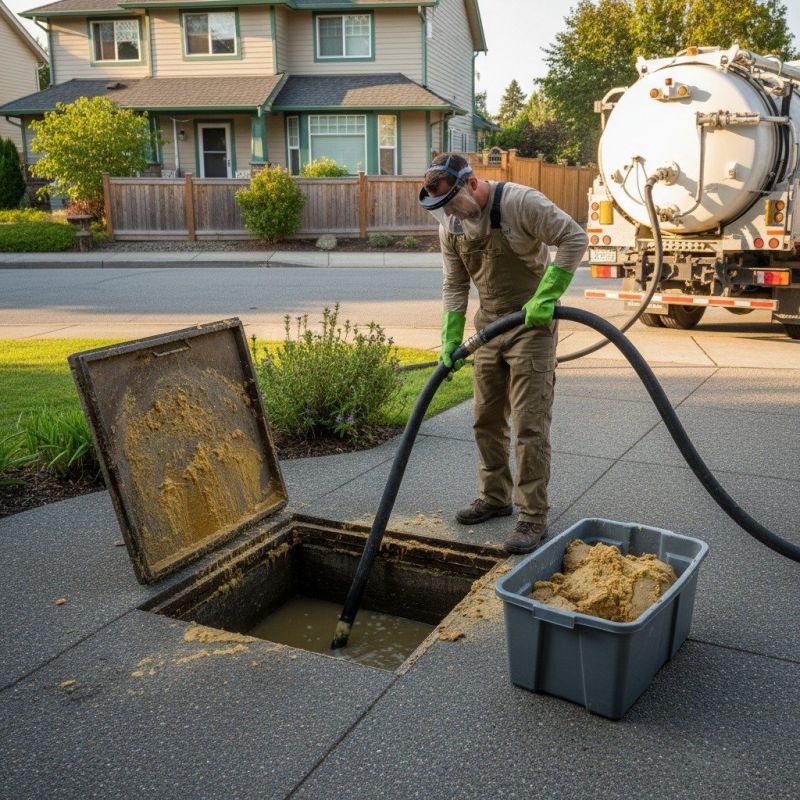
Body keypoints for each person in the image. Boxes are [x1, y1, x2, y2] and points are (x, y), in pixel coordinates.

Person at [418, 152, 588, 554]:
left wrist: (546, 296)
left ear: (472, 185)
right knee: (485, 419)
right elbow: (455, 284)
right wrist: (450, 338)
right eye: (440, 210)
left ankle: (532, 517)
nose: (449, 216)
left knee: (530, 424)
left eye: (451, 204)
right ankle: (495, 497)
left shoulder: (519, 203)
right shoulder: (452, 225)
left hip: (531, 325)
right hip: (489, 326)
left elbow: (574, 238)